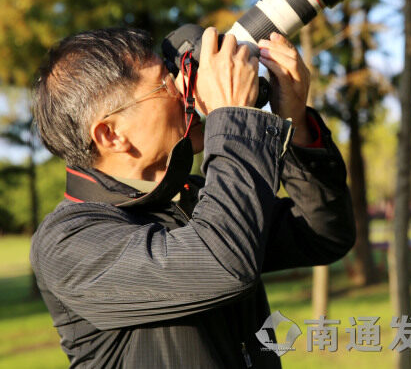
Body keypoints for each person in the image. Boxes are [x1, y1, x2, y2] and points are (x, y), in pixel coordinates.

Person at [30, 26, 355, 368]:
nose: (187, 87)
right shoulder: (67, 243)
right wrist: (231, 117)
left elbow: (324, 233)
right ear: (111, 135)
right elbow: (222, 263)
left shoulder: (191, 198)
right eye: (166, 83)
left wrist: (295, 122)